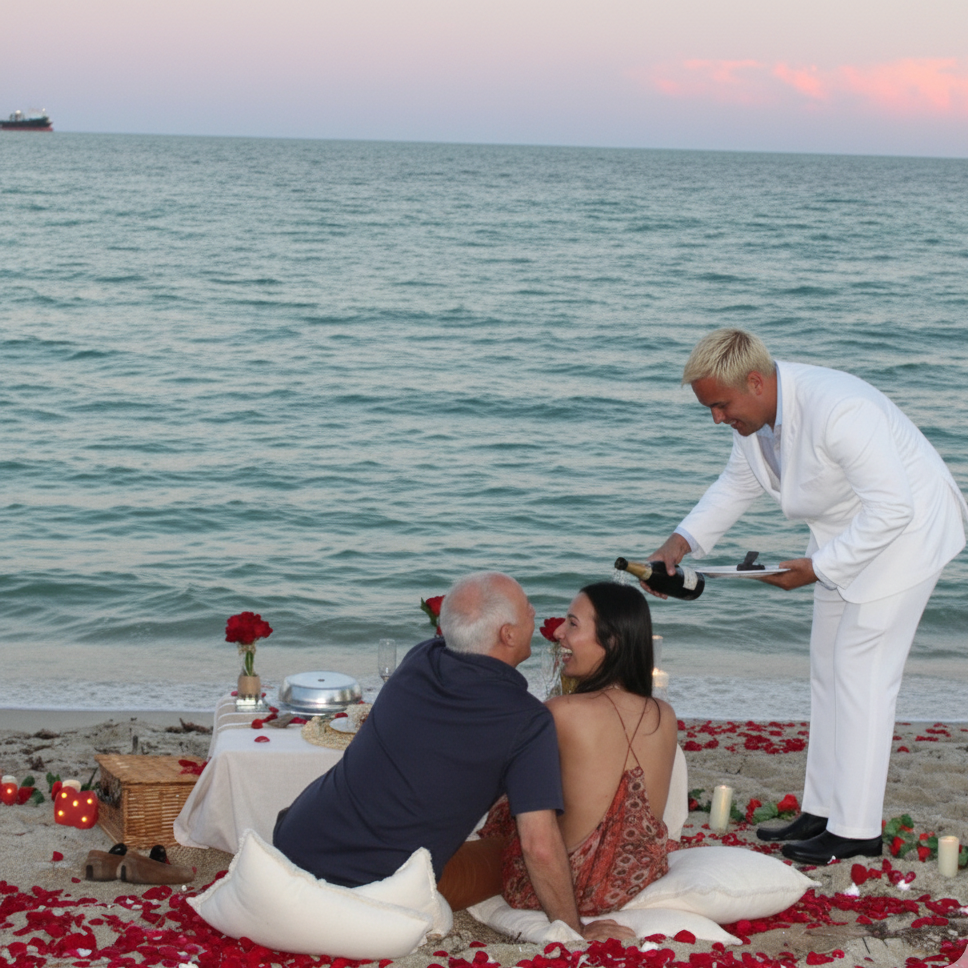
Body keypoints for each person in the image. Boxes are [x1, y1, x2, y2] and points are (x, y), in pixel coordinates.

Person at [646, 328, 967, 865]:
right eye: (710, 408)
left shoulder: (839, 409)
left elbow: (895, 509)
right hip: (846, 539)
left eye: (721, 406)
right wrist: (679, 543)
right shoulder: (756, 420)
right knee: (827, 669)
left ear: (755, 381)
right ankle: (822, 811)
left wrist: (816, 569)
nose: (717, 419)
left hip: (908, 537)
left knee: (861, 673)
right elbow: (735, 485)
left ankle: (857, 828)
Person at [273, 571, 632, 942]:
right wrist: (573, 930)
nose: (537, 616)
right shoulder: (526, 720)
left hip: (296, 841)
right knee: (507, 857)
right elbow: (537, 846)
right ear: (508, 634)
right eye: (528, 610)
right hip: (372, 886)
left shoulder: (419, 659)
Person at [442, 582, 678, 916]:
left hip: (565, 888)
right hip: (634, 880)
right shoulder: (664, 714)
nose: (557, 634)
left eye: (572, 624)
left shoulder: (560, 712)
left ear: (612, 641)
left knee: (510, 811)